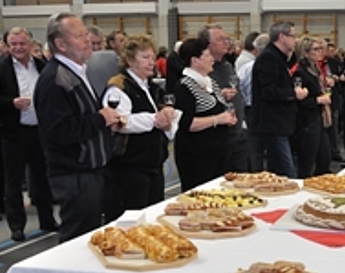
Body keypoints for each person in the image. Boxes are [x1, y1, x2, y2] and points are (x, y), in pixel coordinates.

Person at [34, 12, 120, 243]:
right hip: (74, 174)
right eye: (79, 35)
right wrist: (100, 119)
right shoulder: (55, 79)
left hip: (88, 171)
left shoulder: (76, 72)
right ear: (60, 44)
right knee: (77, 238)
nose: (87, 40)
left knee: (89, 234)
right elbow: (60, 131)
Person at [101, 34, 179, 222]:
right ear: (129, 60)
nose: (151, 62)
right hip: (129, 168)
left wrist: (168, 121)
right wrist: (155, 119)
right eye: (145, 57)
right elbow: (120, 122)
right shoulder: (118, 87)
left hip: (153, 163)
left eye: (152, 57)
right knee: (131, 220)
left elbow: (166, 115)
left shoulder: (152, 87)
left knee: (153, 218)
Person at [0, 27, 58, 242]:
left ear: (30, 43)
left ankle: (48, 220)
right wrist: (11, 103)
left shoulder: (42, 66)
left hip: (39, 131)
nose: (18, 48)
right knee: (13, 181)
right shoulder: (2, 68)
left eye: (21, 43)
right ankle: (17, 226)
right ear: (7, 45)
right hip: (13, 134)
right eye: (13, 44)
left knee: (42, 177)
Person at [173, 37, 237, 191]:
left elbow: (214, 108)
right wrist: (218, 119)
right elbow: (186, 124)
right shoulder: (183, 86)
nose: (212, 59)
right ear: (195, 61)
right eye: (207, 56)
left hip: (218, 151)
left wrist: (227, 116)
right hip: (197, 155)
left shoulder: (210, 82)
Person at [251, 21, 307, 177]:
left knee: (280, 170)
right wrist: (293, 93)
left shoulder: (281, 58)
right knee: (286, 171)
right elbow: (268, 91)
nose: (296, 40)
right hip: (272, 123)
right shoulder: (268, 58)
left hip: (282, 122)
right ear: (282, 37)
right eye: (293, 36)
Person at [199, 24, 251, 172]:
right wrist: (219, 95)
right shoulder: (201, 71)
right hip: (216, 137)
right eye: (220, 39)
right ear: (207, 44)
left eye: (226, 39)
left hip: (238, 132)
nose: (226, 42)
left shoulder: (228, 66)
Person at [291, 36, 332, 178]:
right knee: (307, 160)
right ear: (305, 52)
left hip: (318, 118)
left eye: (320, 48)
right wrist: (318, 99)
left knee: (325, 158)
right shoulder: (299, 71)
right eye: (315, 49)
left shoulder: (316, 69)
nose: (320, 52)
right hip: (306, 121)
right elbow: (298, 100)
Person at [237, 33, 269, 171]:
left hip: (252, 109)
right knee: (256, 147)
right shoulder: (249, 66)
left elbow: (239, 87)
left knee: (256, 148)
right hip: (256, 109)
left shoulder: (246, 67)